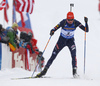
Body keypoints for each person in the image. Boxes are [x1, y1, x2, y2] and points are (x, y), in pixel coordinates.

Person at [35, 12, 89, 78]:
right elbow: (55, 27)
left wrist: (86, 22)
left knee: (74, 55)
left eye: (71, 20)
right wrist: (52, 31)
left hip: (70, 41)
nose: (70, 21)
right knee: (53, 56)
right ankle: (44, 71)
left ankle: (74, 72)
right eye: (68, 20)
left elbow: (86, 30)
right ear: (66, 19)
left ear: (73, 19)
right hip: (61, 41)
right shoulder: (63, 22)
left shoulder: (76, 23)